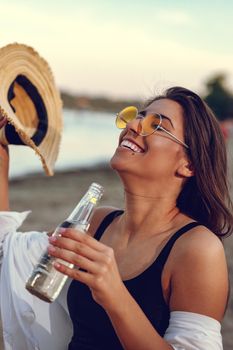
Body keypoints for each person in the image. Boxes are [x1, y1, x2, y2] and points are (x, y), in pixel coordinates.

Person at [0, 86, 232, 350]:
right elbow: (9, 255)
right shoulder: (98, 221)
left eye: (156, 125)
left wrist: (114, 293)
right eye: (137, 116)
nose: (134, 124)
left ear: (188, 164)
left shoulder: (197, 249)